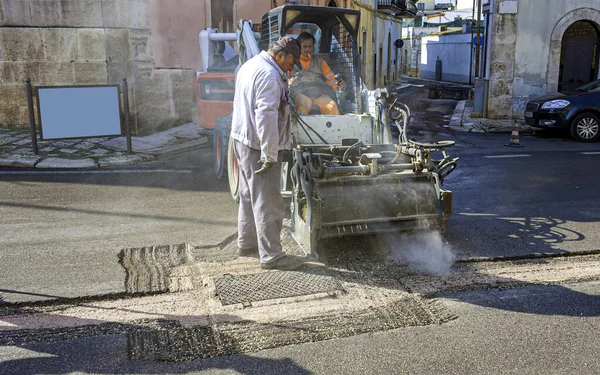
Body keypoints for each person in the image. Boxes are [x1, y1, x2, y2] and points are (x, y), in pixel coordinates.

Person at [230, 36, 305, 271]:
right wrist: (269, 155)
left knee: (247, 194)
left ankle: (247, 243)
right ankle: (272, 255)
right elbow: (266, 117)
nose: (292, 68)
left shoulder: (250, 65)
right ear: (280, 55)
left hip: (241, 139)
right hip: (258, 146)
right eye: (291, 62)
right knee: (268, 201)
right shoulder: (270, 76)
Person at [289, 32, 346, 115]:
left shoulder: (320, 62)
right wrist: (290, 81)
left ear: (313, 47)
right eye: (305, 47)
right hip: (300, 94)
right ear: (298, 47)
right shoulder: (292, 61)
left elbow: (330, 78)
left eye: (310, 47)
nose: (307, 49)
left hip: (319, 94)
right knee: (303, 106)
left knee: (332, 106)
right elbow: (284, 79)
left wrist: (337, 85)